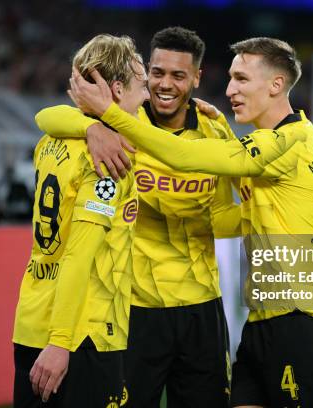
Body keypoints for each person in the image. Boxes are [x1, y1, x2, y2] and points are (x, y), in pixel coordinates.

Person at [68, 37, 313, 408]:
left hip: (304, 319)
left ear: (276, 85)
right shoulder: (263, 142)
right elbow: (236, 208)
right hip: (262, 320)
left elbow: (185, 156)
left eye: (242, 80)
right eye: (231, 78)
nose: (230, 90)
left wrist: (110, 114)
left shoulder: (291, 141)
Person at [35, 27, 240, 408]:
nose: (165, 84)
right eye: (157, 72)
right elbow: (47, 116)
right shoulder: (121, 120)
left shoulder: (215, 129)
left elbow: (224, 214)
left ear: (197, 78)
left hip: (201, 308)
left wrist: (258, 220)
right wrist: (91, 127)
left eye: (178, 75)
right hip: (134, 311)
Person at [12, 34, 148, 408]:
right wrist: (60, 342)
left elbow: (47, 116)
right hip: (82, 335)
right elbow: (79, 254)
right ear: (117, 89)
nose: (148, 95)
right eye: (142, 85)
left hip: (32, 318)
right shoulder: (108, 161)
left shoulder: (51, 140)